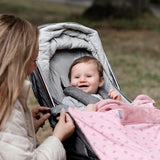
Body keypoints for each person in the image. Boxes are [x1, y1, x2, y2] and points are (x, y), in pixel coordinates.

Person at [0, 14, 75, 160]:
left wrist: (27, 127)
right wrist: (57, 137)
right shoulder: (7, 108)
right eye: (34, 60)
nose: (35, 67)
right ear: (17, 63)